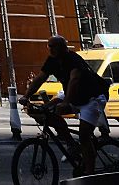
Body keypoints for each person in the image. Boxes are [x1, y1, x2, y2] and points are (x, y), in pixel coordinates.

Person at [21, 36, 111, 177]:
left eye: (54, 46)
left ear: (63, 47)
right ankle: (71, 144)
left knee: (84, 136)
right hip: (72, 95)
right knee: (45, 112)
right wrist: (26, 96)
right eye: (49, 46)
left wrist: (66, 102)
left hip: (92, 97)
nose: (51, 49)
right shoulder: (52, 60)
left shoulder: (73, 59)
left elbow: (74, 80)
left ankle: (90, 174)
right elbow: (40, 78)